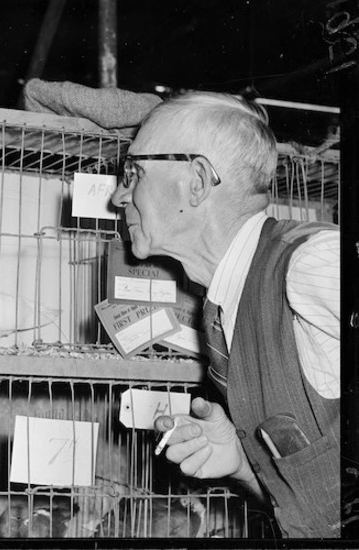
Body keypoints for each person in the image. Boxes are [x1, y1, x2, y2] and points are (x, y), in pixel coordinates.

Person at [110, 91, 340, 538]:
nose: (120, 195)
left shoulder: (312, 263)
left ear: (197, 181)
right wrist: (241, 463)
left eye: (134, 173)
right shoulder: (222, 310)